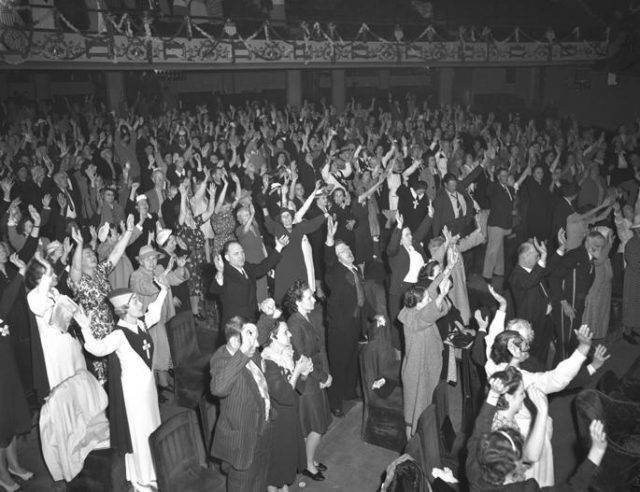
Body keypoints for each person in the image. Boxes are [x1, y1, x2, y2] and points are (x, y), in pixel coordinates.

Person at [78, 281, 169, 492]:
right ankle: (141, 479)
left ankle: (153, 471)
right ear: (124, 309)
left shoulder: (141, 324)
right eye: (135, 301)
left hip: (148, 390)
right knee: (140, 434)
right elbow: (96, 348)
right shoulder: (119, 334)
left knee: (153, 428)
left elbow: (154, 310)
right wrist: (85, 328)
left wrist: (163, 290)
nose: (140, 303)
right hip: (134, 394)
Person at [465, 374, 608, 491]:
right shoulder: (527, 488)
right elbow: (573, 488)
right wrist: (597, 452)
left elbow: (478, 433)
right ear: (517, 465)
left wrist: (493, 394)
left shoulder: (474, 473)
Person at [68, 216, 136, 383]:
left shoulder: (100, 271)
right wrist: (79, 245)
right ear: (79, 260)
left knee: (118, 372)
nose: (92, 255)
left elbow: (116, 253)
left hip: (112, 327)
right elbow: (75, 268)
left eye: (92, 253)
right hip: (94, 334)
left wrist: (128, 231)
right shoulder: (76, 281)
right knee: (102, 378)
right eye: (87, 255)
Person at [209, 317, 272, 492]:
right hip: (243, 441)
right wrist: (243, 352)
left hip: (261, 429)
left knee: (260, 481)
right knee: (243, 486)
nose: (256, 344)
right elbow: (218, 388)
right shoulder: (221, 360)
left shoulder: (248, 350)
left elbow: (260, 335)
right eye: (250, 339)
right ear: (236, 341)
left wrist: (267, 317)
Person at [398, 261, 454, 439]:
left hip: (426, 368)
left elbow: (431, 289)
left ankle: (425, 443)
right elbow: (429, 313)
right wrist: (441, 296)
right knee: (413, 416)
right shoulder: (412, 318)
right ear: (418, 304)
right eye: (427, 300)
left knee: (424, 411)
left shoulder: (418, 307)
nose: (430, 299)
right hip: (416, 373)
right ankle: (413, 450)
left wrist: (448, 269)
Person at [324, 216, 371, 416]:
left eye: (348, 249)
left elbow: (363, 298)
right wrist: (329, 239)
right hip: (340, 326)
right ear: (337, 257)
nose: (348, 252)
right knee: (339, 363)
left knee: (352, 359)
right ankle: (334, 402)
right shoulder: (334, 273)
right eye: (343, 252)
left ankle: (349, 392)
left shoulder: (355, 271)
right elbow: (328, 260)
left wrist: (375, 315)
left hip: (355, 322)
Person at [285, 281, 332, 481]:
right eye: (309, 297)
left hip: (314, 378)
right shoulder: (295, 324)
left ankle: (309, 460)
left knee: (315, 425)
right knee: (316, 427)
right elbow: (303, 357)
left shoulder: (306, 316)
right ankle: (307, 464)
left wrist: (324, 374)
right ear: (297, 302)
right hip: (307, 383)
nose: (314, 299)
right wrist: (324, 377)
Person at [261, 321, 312, 492]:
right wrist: (298, 371)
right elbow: (283, 395)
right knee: (276, 470)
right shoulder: (268, 362)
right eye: (285, 332)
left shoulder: (286, 354)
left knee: (286, 466)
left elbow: (298, 389)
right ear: (272, 337)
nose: (290, 335)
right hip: (278, 421)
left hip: (290, 417)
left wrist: (304, 374)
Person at [26, 253, 87, 390]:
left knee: (79, 378)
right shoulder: (34, 295)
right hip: (55, 347)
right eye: (48, 274)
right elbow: (40, 308)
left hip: (69, 342)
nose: (53, 276)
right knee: (63, 384)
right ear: (37, 280)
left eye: (52, 273)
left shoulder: (56, 292)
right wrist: (47, 270)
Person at [0, 256, 34, 492]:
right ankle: (2, 474)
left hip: (5, 357)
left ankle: (13, 465)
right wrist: (21, 274)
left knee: (10, 412)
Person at [548, 231, 605, 360]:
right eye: (598, 245)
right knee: (564, 344)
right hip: (566, 306)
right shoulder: (574, 256)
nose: (600, 249)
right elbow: (554, 278)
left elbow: (587, 280)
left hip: (576, 305)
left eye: (602, 245)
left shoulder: (588, 258)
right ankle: (560, 375)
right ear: (588, 244)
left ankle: (568, 372)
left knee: (571, 341)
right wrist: (564, 303)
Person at [210, 235, 288, 326]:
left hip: (252, 320)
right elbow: (215, 289)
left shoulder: (246, 267)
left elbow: (262, 267)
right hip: (235, 325)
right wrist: (220, 272)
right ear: (227, 257)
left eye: (242, 252)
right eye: (236, 254)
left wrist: (279, 247)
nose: (241, 256)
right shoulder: (225, 272)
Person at [508, 238, 556, 363]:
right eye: (536, 256)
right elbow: (530, 282)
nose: (538, 258)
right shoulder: (516, 276)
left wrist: (561, 249)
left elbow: (549, 267)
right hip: (531, 323)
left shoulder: (534, 270)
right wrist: (543, 257)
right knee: (532, 355)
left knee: (543, 351)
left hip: (544, 319)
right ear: (525, 256)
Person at [483, 167, 515, 285]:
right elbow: (488, 192)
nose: (505, 177)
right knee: (492, 250)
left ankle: (498, 271)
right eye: (502, 175)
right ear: (498, 177)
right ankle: (487, 274)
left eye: (506, 175)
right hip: (496, 223)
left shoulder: (508, 189)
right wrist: (491, 177)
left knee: (499, 249)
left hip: (503, 223)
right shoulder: (495, 187)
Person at [622, 214, 640, 343]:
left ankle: (634, 328)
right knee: (631, 303)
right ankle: (627, 332)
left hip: (637, 277)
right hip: (633, 278)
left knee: (637, 304)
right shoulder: (632, 243)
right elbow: (634, 263)